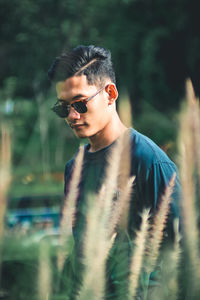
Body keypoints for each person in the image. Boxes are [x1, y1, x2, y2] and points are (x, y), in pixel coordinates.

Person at [48, 45, 180, 299]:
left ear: (110, 94)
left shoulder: (149, 161)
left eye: (80, 103)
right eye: (63, 108)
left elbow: (180, 251)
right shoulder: (74, 168)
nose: (72, 116)